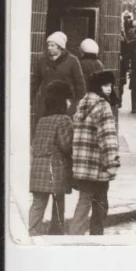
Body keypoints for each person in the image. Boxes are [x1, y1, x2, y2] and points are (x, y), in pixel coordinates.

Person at [70, 70, 120, 235]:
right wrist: (112, 162)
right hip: (98, 165)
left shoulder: (82, 104)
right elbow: (108, 137)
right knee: (100, 203)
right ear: (97, 86)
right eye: (105, 85)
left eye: (110, 85)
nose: (109, 89)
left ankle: (74, 235)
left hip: (83, 164)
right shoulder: (102, 106)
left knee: (83, 201)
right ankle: (97, 236)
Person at [29, 81, 74, 236]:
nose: (70, 103)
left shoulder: (42, 120)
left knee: (38, 204)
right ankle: (56, 234)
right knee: (58, 204)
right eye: (68, 99)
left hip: (38, 169)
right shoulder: (64, 120)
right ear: (61, 101)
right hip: (55, 169)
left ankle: (32, 233)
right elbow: (66, 146)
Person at [31, 32, 86, 133]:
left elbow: (80, 83)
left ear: (60, 47)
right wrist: (28, 99)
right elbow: (34, 83)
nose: (49, 48)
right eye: (48, 45)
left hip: (66, 103)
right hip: (47, 102)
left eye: (52, 45)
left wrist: (79, 102)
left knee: (64, 132)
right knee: (43, 129)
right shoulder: (42, 62)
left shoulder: (72, 61)